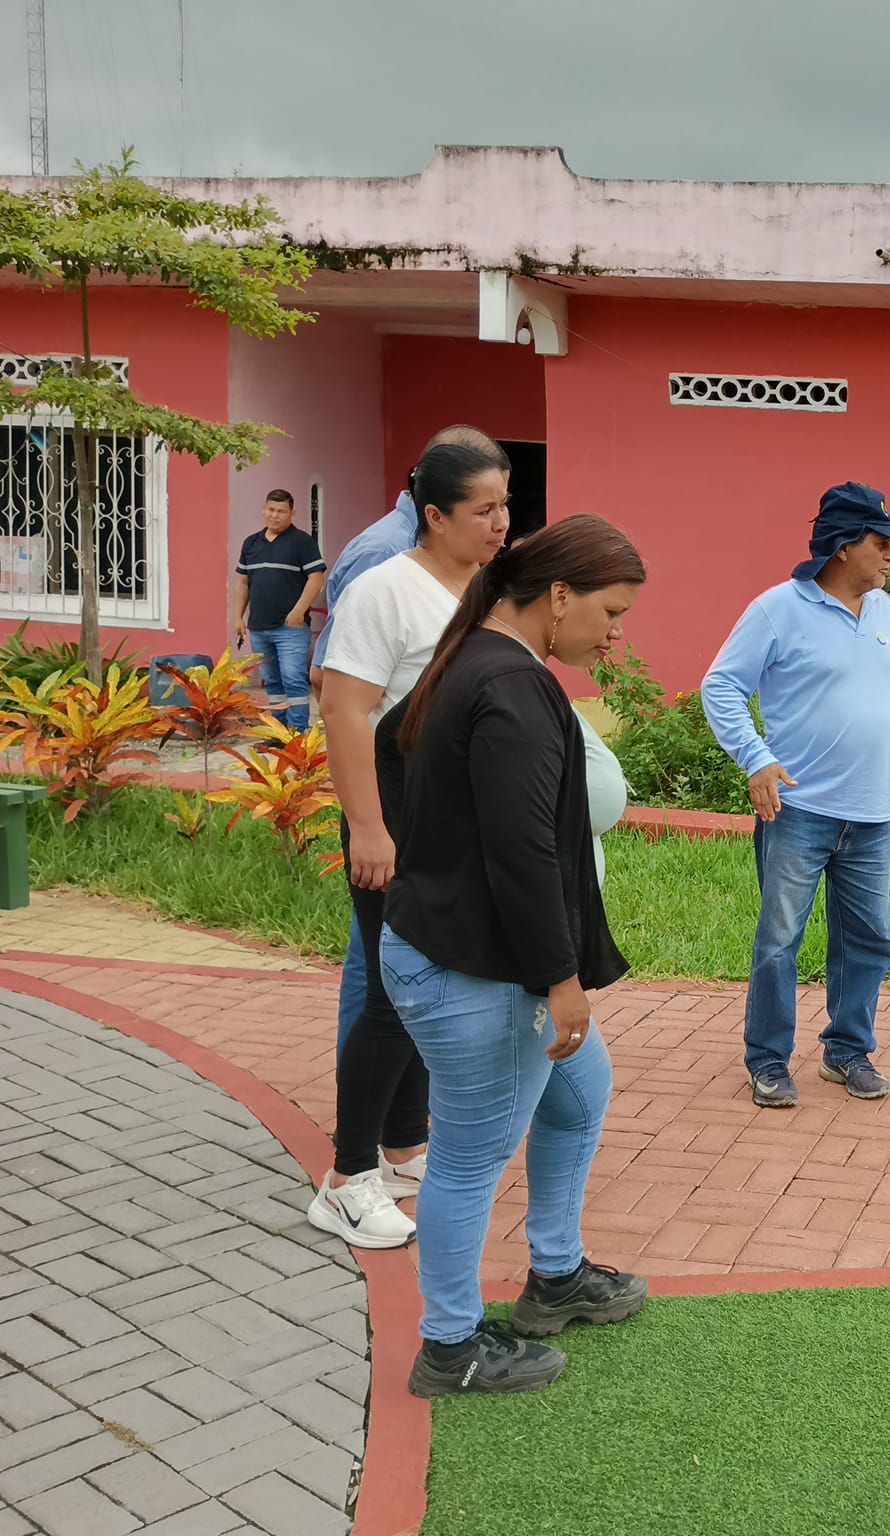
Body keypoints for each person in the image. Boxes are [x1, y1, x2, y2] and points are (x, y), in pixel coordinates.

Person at [379, 514, 648, 1396]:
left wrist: (430, 861)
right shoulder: (512, 686)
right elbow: (524, 852)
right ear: (559, 596)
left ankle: (556, 1275)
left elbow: (390, 750)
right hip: (481, 976)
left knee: (580, 1092)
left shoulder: (473, 657)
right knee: (468, 1159)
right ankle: (450, 1347)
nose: (616, 633)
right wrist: (560, 981)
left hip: (455, 953)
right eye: (611, 612)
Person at [305, 438, 510, 1249]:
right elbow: (343, 709)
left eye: (505, 505)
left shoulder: (486, 588)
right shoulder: (385, 589)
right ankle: (346, 1179)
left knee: (428, 990)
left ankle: (402, 1149)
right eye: (483, 509)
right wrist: (367, 826)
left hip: (450, 823)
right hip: (392, 820)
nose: (501, 522)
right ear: (435, 515)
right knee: (394, 998)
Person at [702, 482, 890, 1109]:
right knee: (779, 942)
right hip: (797, 810)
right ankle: (768, 1060)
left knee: (869, 939)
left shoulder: (885, 611)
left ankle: (846, 1052)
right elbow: (721, 686)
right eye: (881, 543)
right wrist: (756, 759)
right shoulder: (777, 609)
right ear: (844, 546)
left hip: (870, 814)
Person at [231, 490, 326, 732]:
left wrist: (299, 610)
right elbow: (242, 583)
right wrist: (238, 618)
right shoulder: (251, 543)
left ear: (292, 514)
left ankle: (297, 732)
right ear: (264, 510)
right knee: (272, 682)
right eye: (271, 510)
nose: (275, 515)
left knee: (293, 678)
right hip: (258, 627)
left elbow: (316, 578)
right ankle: (278, 731)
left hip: (290, 628)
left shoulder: (302, 542)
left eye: (281, 511)